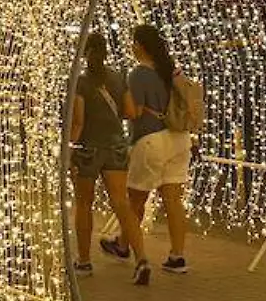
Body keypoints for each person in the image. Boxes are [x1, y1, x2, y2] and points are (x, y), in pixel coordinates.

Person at [107, 24, 193, 282]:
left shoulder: (138, 74)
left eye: (134, 42)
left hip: (151, 140)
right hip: (180, 138)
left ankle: (127, 248)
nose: (132, 47)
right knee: (173, 200)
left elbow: (135, 111)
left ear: (141, 45)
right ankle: (177, 257)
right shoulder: (171, 71)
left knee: (135, 200)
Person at [68, 32, 141, 280]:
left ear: (85, 53)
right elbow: (131, 111)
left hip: (88, 149)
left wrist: (68, 147)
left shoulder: (81, 82)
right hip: (116, 147)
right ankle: (141, 259)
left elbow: (78, 121)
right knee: (122, 203)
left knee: (84, 204)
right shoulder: (119, 77)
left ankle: (84, 262)